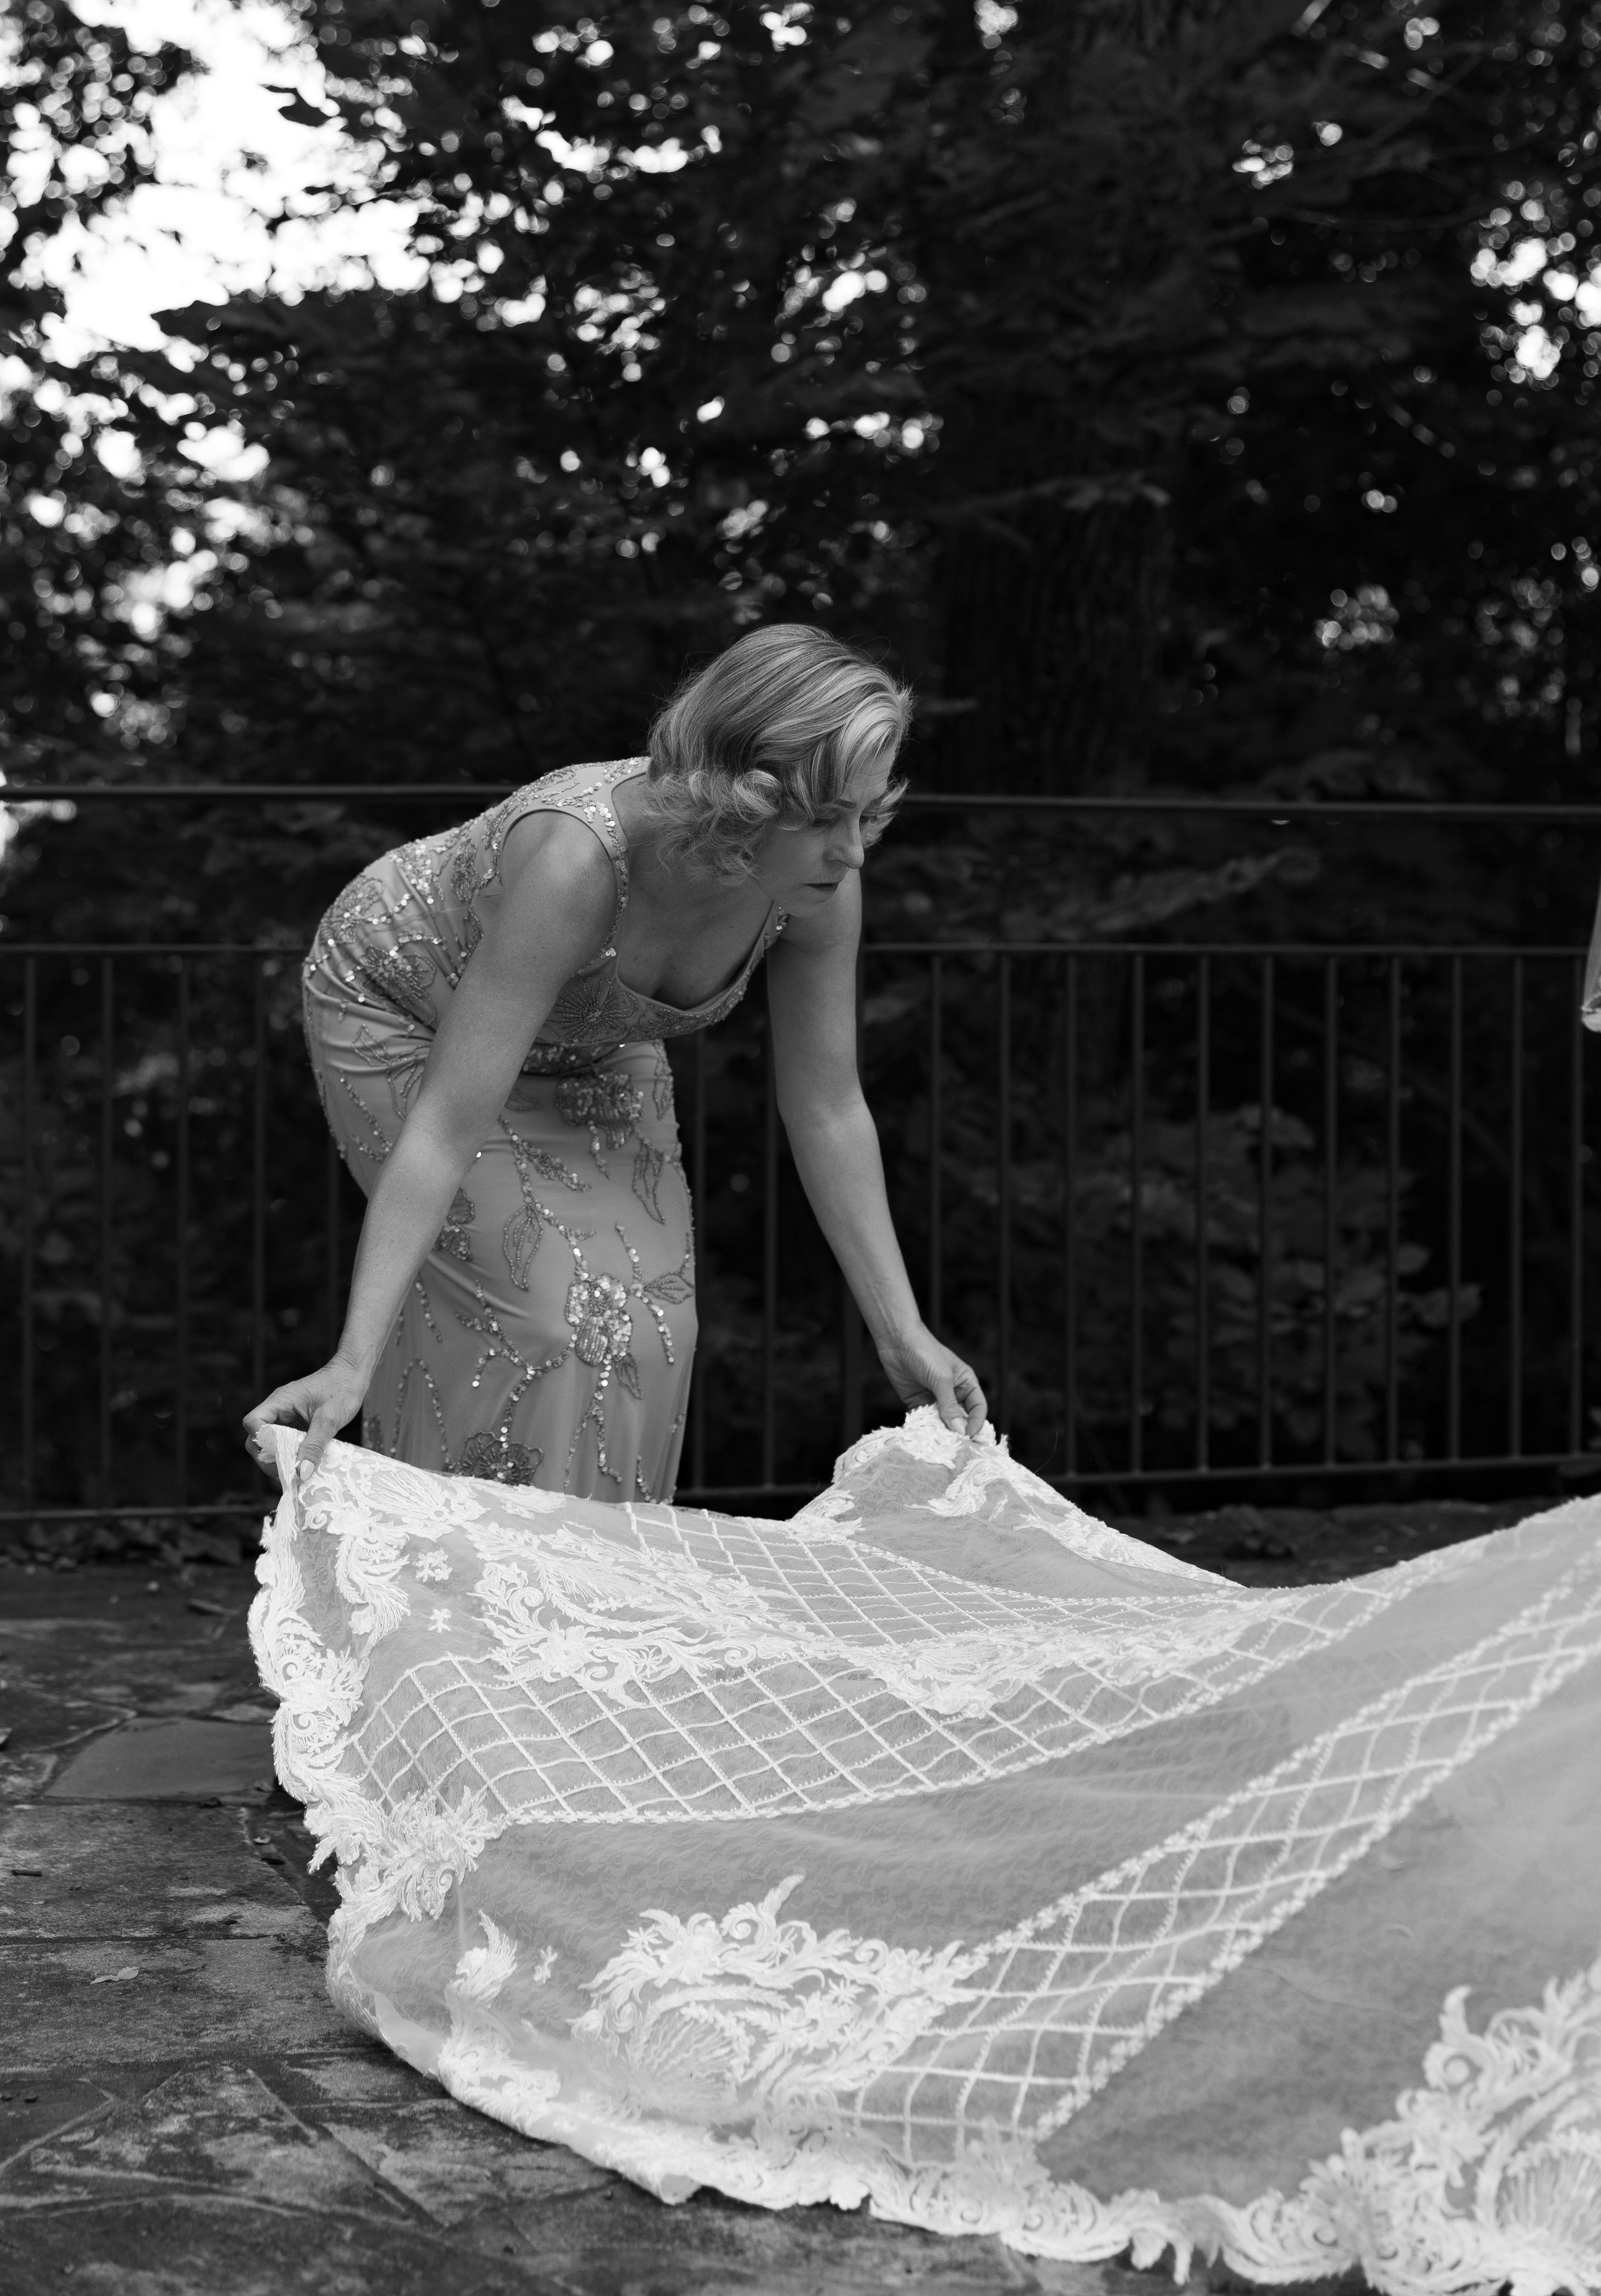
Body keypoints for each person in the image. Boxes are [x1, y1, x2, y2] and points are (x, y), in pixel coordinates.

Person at [244, 623, 986, 1500]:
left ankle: (590, 1579)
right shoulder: (578, 860)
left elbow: (827, 1107)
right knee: (540, 1316)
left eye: (866, 814)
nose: (854, 849)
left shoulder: (818, 887)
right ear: (743, 800)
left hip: (591, 1040)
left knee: (655, 1325)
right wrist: (349, 1362)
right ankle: (445, 1567)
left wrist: (902, 1332)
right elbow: (446, 1125)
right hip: (401, 1003)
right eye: (826, 817)